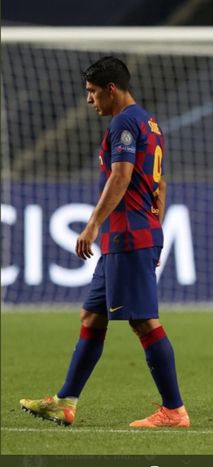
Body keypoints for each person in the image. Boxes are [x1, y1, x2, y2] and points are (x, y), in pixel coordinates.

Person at [20, 57, 190, 428]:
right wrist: (154, 230)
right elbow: (160, 184)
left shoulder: (125, 122)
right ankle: (65, 401)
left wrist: (93, 224)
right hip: (131, 236)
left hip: (127, 235)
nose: (89, 100)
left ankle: (174, 410)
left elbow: (122, 176)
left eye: (92, 92)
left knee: (144, 322)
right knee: (92, 316)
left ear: (111, 89)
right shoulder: (149, 121)